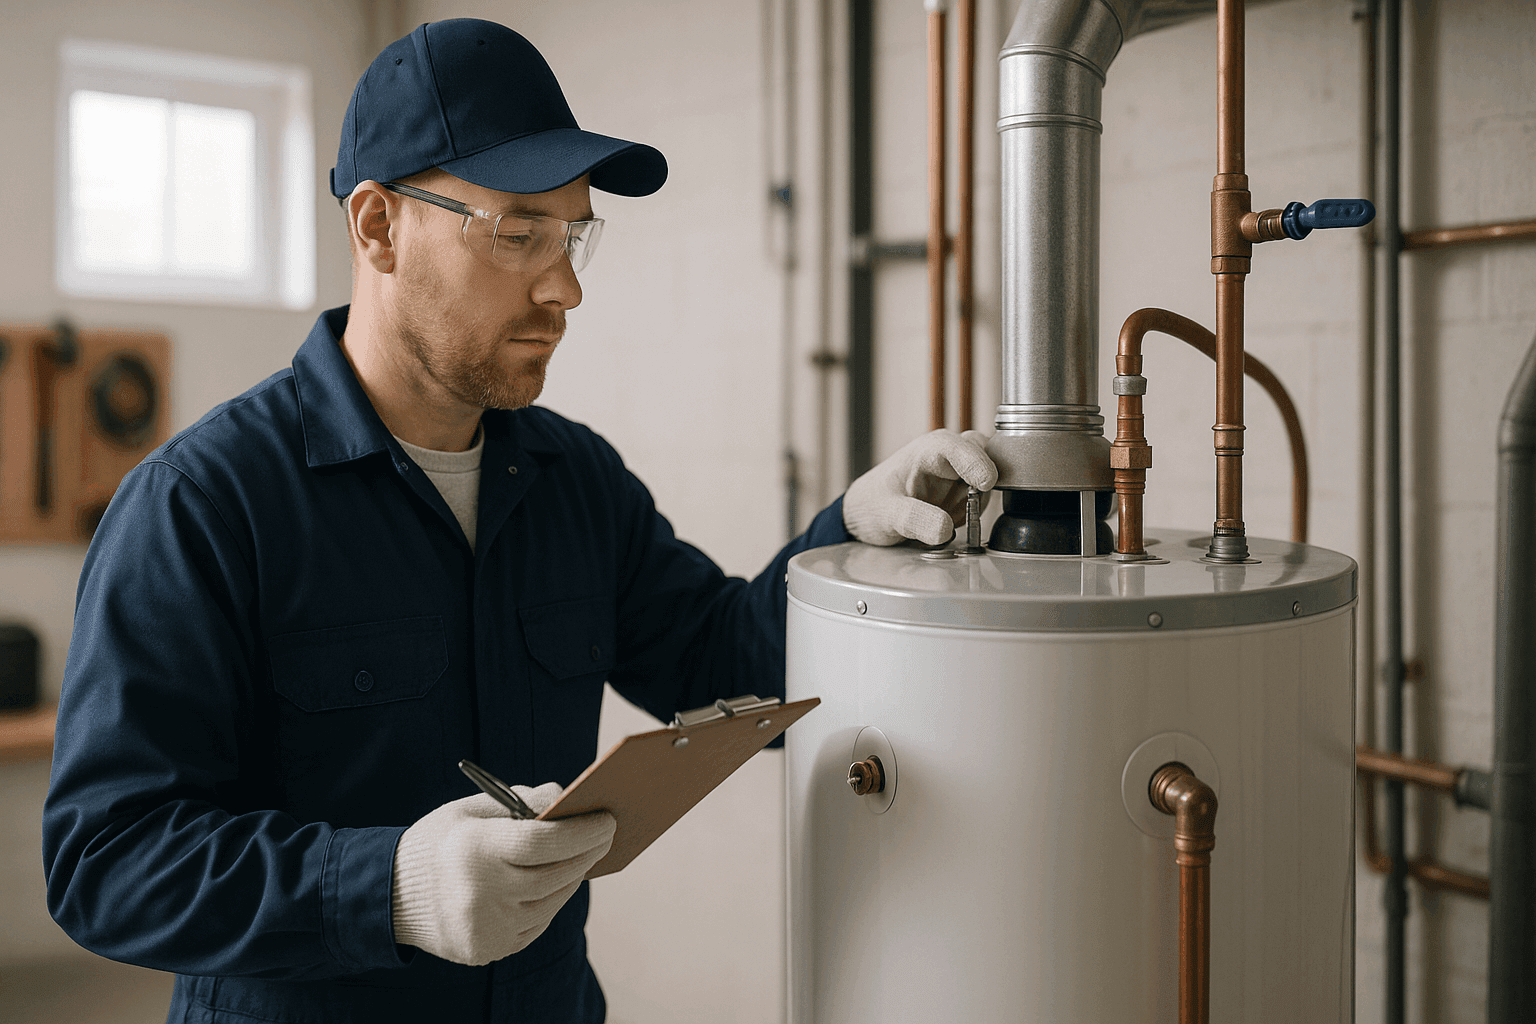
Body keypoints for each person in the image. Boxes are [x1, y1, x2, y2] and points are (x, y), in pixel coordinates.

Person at [42, 19, 996, 1024]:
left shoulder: (571, 478)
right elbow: (107, 861)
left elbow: (721, 660)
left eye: (573, 235)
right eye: (517, 234)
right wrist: (392, 884)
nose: (565, 287)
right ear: (376, 226)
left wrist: (850, 533)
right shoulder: (205, 504)